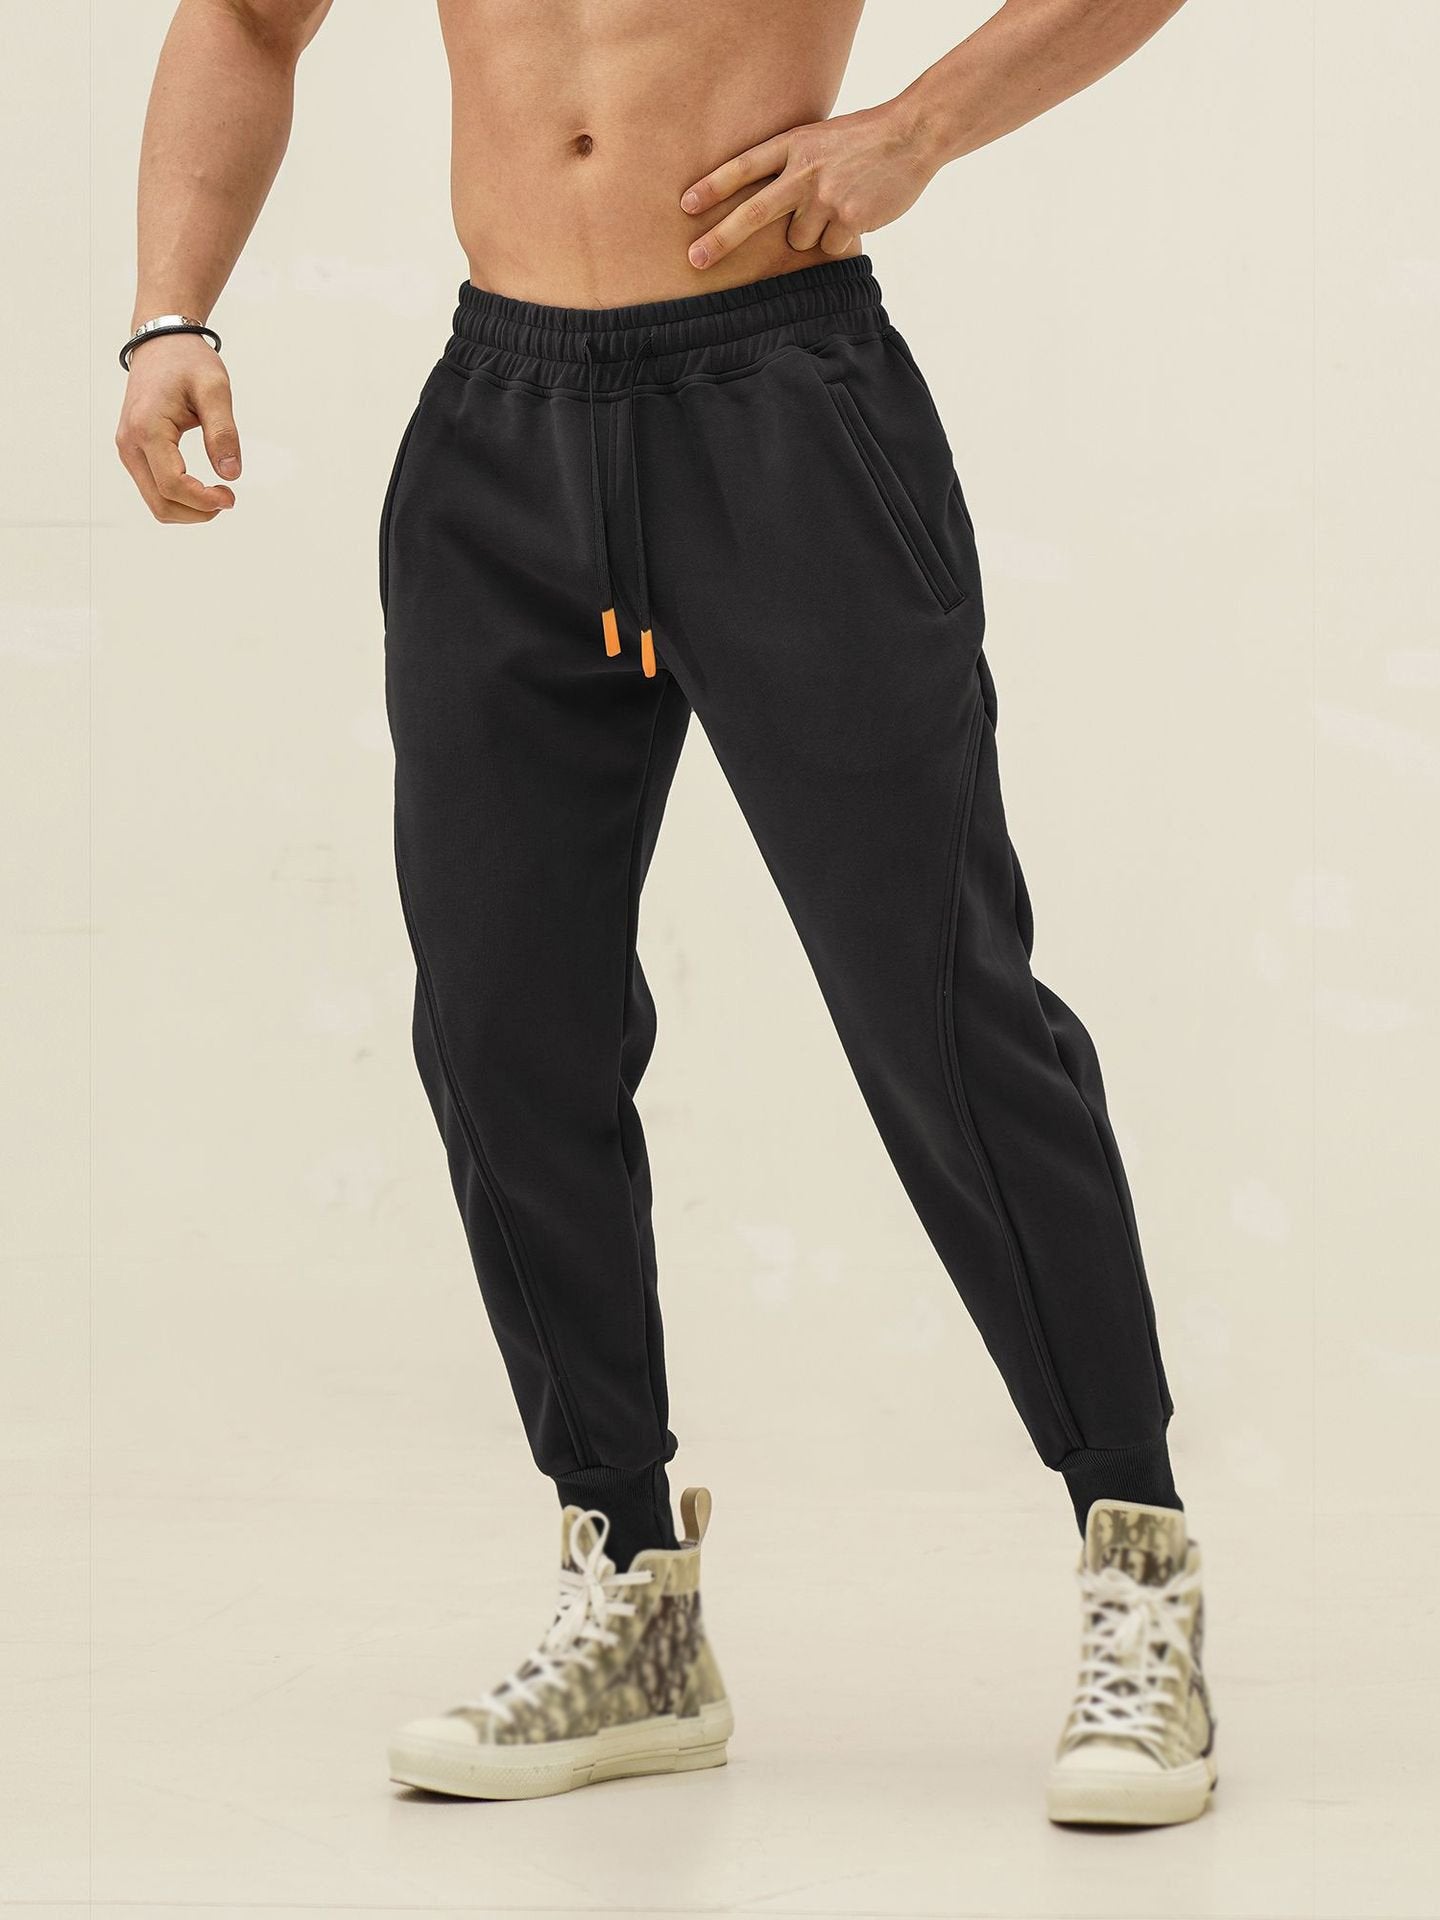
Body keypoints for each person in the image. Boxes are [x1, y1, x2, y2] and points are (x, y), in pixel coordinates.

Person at [116, 0, 1217, 1825]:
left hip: (781, 405)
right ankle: (629, 1589)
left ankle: (1139, 1559)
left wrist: (921, 128)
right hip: (501, 426)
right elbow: (244, 17)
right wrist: (172, 315)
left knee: (938, 1008)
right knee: (501, 1026)